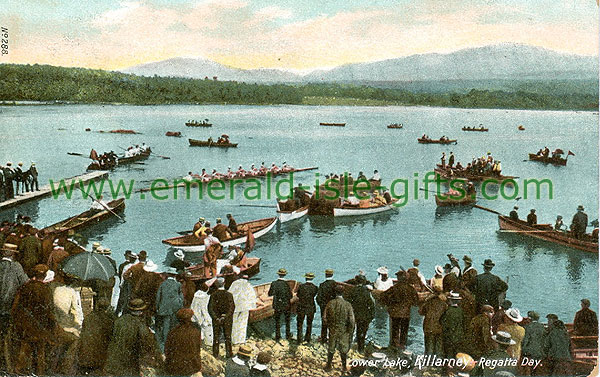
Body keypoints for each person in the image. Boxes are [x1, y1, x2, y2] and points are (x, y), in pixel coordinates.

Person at [11, 264, 58, 375]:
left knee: (25, 346)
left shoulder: (25, 287)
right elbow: (49, 311)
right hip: (40, 327)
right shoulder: (46, 290)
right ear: (45, 275)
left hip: (25, 325)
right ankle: (39, 372)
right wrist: (53, 325)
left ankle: (20, 370)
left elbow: (16, 306)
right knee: (40, 350)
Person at [104, 299, 163, 376]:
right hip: (129, 363)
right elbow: (148, 344)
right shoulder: (140, 325)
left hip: (114, 361)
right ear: (141, 311)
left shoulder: (119, 320)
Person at [0, 243, 28, 369]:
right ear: (12, 254)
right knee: (7, 334)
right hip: (10, 306)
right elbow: (25, 283)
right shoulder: (17, 266)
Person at [381, 270, 418, 350]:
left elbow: (383, 296)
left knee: (395, 331)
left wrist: (389, 304)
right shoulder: (411, 289)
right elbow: (416, 302)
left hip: (395, 313)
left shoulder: (395, 288)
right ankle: (402, 347)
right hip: (406, 314)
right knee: (404, 331)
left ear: (399, 278)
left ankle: (394, 347)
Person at [77, 297, 114, 375]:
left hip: (84, 356)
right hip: (98, 359)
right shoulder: (108, 321)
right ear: (107, 308)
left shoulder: (88, 318)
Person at [324, 284, 355, 372]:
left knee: (331, 347)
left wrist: (330, 326)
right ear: (343, 292)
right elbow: (352, 320)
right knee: (343, 349)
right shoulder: (348, 304)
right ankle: (344, 367)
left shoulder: (330, 303)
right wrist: (351, 331)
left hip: (333, 328)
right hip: (344, 330)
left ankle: (328, 366)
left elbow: (324, 318)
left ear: (335, 292)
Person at [164, 308, 203, 376]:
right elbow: (197, 350)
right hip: (191, 367)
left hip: (174, 367)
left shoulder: (173, 332)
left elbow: (167, 350)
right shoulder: (195, 331)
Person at [155, 267, 184, 350]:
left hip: (164, 308)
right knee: (174, 326)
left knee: (165, 327)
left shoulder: (162, 284)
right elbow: (181, 298)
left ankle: (165, 346)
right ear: (175, 275)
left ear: (167, 275)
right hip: (175, 308)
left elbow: (158, 297)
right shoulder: (178, 284)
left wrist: (157, 307)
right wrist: (180, 307)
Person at [346, 274, 374, 352]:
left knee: (353, 331)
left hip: (355, 314)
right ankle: (361, 348)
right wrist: (371, 316)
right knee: (363, 332)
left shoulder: (353, 291)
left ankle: (350, 347)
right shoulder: (367, 292)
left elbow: (348, 302)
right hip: (365, 315)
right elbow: (371, 305)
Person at [208, 277, 235, 358]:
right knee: (228, 337)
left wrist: (216, 317)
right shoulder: (229, 295)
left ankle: (215, 354)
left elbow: (210, 308)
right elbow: (232, 308)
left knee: (216, 337)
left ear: (216, 285)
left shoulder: (213, 295)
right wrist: (225, 316)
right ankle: (229, 353)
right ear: (224, 283)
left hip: (216, 319)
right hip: (227, 319)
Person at [419, 285, 448, 356]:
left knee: (428, 347)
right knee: (438, 348)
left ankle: (428, 363)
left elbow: (420, 312)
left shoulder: (428, 302)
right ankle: (437, 363)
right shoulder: (443, 304)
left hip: (428, 327)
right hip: (439, 327)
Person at [229, 274, 257, 344]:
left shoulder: (234, 284)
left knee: (234, 323)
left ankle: (234, 340)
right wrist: (253, 306)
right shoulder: (248, 285)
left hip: (235, 306)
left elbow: (229, 294)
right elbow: (252, 296)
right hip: (245, 307)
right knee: (242, 323)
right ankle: (241, 340)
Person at [268, 268, 292, 341]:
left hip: (277, 304)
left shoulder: (274, 283)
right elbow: (290, 296)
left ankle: (278, 336)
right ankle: (287, 335)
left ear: (278, 274)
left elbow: (270, 294)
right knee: (287, 321)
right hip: (286, 305)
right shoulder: (286, 284)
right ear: (285, 275)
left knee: (277, 321)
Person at [440, 291, 464, 358]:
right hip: (458, 335)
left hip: (449, 335)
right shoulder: (461, 311)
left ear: (450, 301)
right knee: (456, 352)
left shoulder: (448, 311)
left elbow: (442, 322)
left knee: (448, 352)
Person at [296, 272, 318, 343]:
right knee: (309, 324)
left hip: (301, 307)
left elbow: (298, 295)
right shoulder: (315, 287)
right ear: (312, 278)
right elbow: (314, 295)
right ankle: (307, 339)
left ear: (305, 278)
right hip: (310, 307)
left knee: (300, 324)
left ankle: (299, 339)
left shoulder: (301, 286)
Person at [317, 268, 337, 343]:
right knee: (333, 324)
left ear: (325, 275)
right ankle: (332, 340)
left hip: (324, 307)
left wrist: (322, 306)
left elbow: (318, 298)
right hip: (333, 308)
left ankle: (324, 339)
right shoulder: (335, 284)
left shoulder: (322, 285)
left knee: (324, 324)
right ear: (332, 274)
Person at [191, 281, 213, 345]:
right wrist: (207, 318)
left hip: (195, 315)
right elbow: (204, 309)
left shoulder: (195, 295)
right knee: (207, 329)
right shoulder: (205, 297)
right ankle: (208, 343)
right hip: (203, 316)